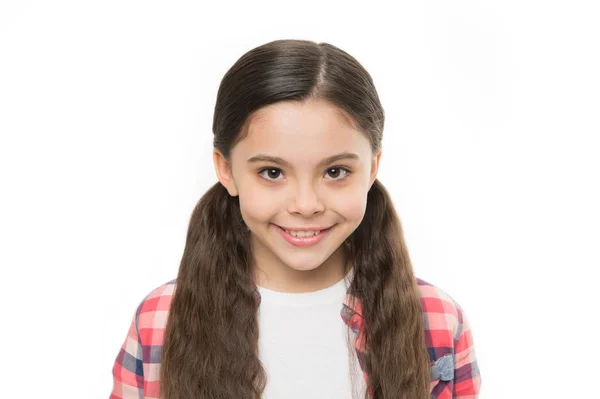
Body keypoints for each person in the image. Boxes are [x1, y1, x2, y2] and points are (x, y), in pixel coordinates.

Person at [109, 39, 481, 399]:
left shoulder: (437, 320)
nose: (306, 205)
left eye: (335, 171)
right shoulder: (160, 321)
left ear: (372, 169)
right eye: (272, 172)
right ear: (226, 169)